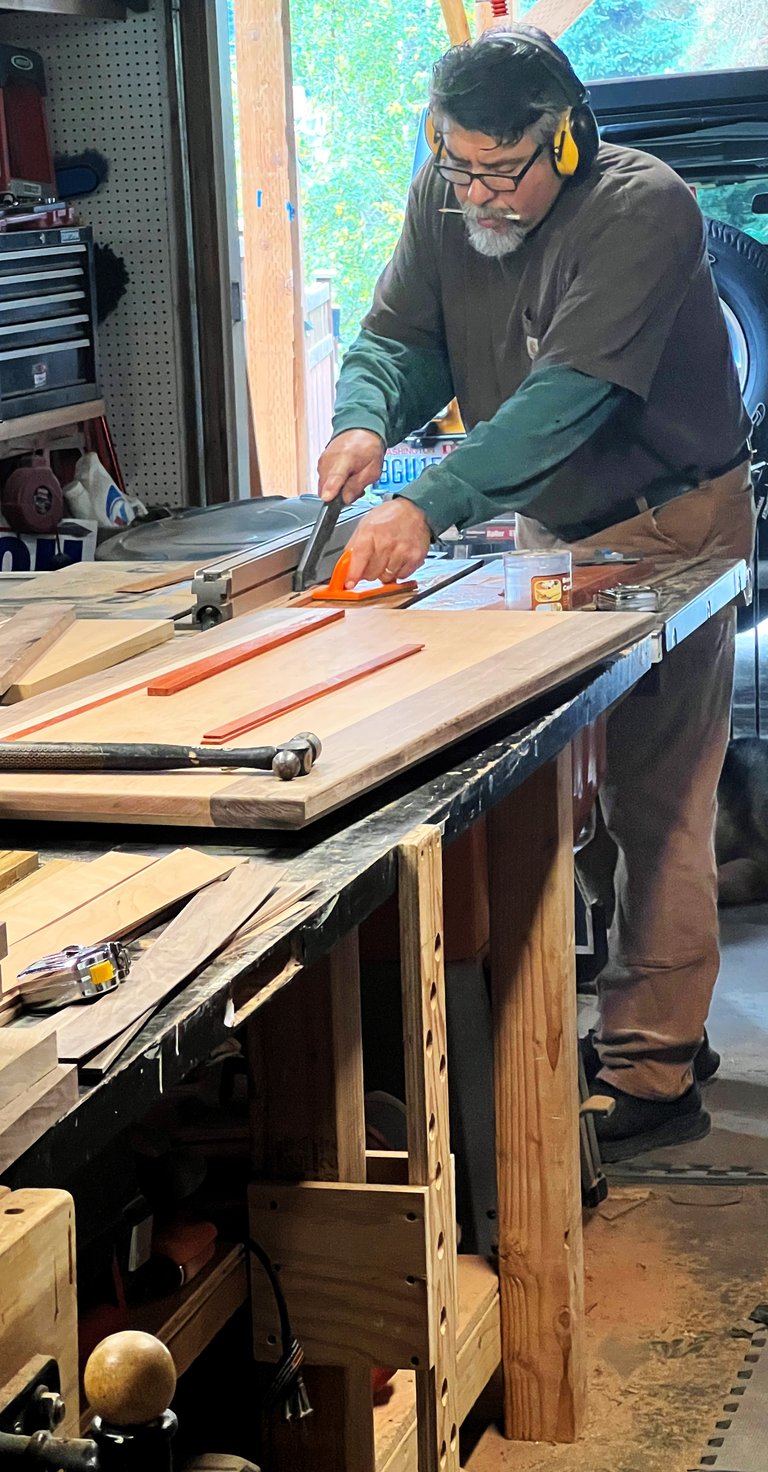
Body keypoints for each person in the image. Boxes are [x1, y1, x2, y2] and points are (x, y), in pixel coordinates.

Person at [316, 24, 756, 1160]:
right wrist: (366, 415)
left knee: (659, 793)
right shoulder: (448, 191)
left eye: (498, 171)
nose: (474, 191)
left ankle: (653, 1073)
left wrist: (435, 499)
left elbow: (569, 398)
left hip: (674, 517)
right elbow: (399, 335)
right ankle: (654, 1006)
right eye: (454, 163)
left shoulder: (639, 206)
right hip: (563, 519)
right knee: (582, 783)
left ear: (561, 142)